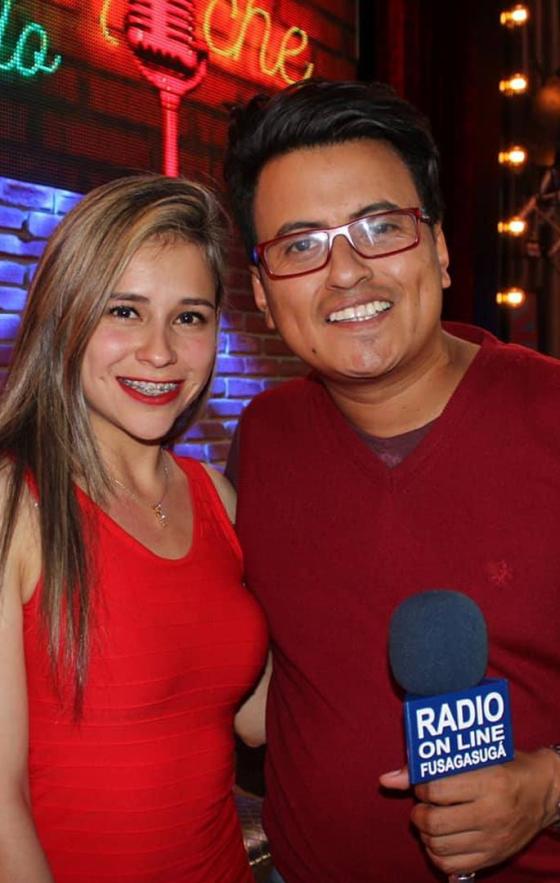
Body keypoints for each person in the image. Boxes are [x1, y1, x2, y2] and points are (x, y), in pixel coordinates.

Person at [223, 78, 560, 882]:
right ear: (263, 292)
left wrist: (549, 786)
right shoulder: (263, 437)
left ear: (438, 249)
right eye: (300, 245)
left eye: (380, 227)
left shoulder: (549, 413)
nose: (345, 272)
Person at [0, 173, 268, 883]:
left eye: (190, 317)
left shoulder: (214, 496)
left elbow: (260, 717)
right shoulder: (14, 501)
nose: (160, 351)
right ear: (64, 315)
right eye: (125, 310)